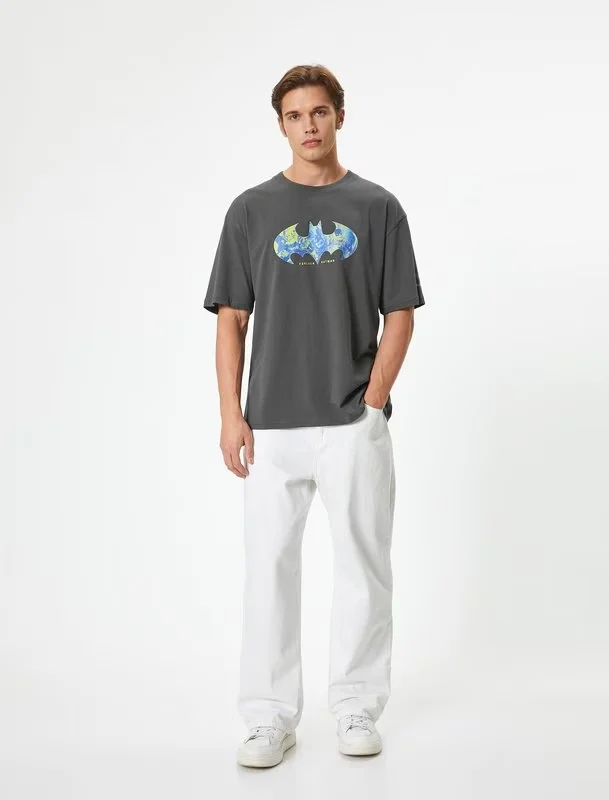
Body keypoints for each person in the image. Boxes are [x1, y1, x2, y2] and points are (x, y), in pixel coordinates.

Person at [203, 64, 425, 768]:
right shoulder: (250, 211)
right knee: (268, 570)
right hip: (270, 424)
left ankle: (356, 707)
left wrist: (372, 400)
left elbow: (400, 312)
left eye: (320, 112)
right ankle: (268, 718)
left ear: (339, 117)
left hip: (352, 422)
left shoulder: (377, 207)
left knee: (363, 565)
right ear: (281, 125)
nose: (309, 125)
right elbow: (231, 319)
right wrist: (230, 415)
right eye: (295, 115)